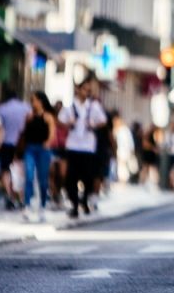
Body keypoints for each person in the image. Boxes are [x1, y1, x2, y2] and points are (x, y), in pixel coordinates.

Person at [57, 79, 108, 217]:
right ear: (78, 89)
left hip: (88, 147)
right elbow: (60, 121)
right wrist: (69, 123)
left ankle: (84, 200)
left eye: (89, 90)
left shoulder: (93, 106)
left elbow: (103, 121)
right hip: (73, 146)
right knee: (71, 178)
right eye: (84, 89)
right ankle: (74, 204)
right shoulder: (70, 107)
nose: (86, 92)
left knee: (88, 177)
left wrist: (93, 125)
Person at [20, 91, 56, 221]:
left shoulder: (48, 117)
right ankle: (27, 205)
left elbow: (52, 134)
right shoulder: (29, 116)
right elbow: (24, 133)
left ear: (41, 101)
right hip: (30, 148)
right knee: (29, 176)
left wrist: (47, 143)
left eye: (34, 99)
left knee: (43, 179)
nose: (32, 102)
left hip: (42, 149)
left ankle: (42, 206)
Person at [0, 88, 31, 211]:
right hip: (22, 143)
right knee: (20, 171)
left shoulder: (2, 108)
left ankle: (9, 195)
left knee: (5, 170)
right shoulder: (26, 107)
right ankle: (20, 198)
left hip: (5, 142)